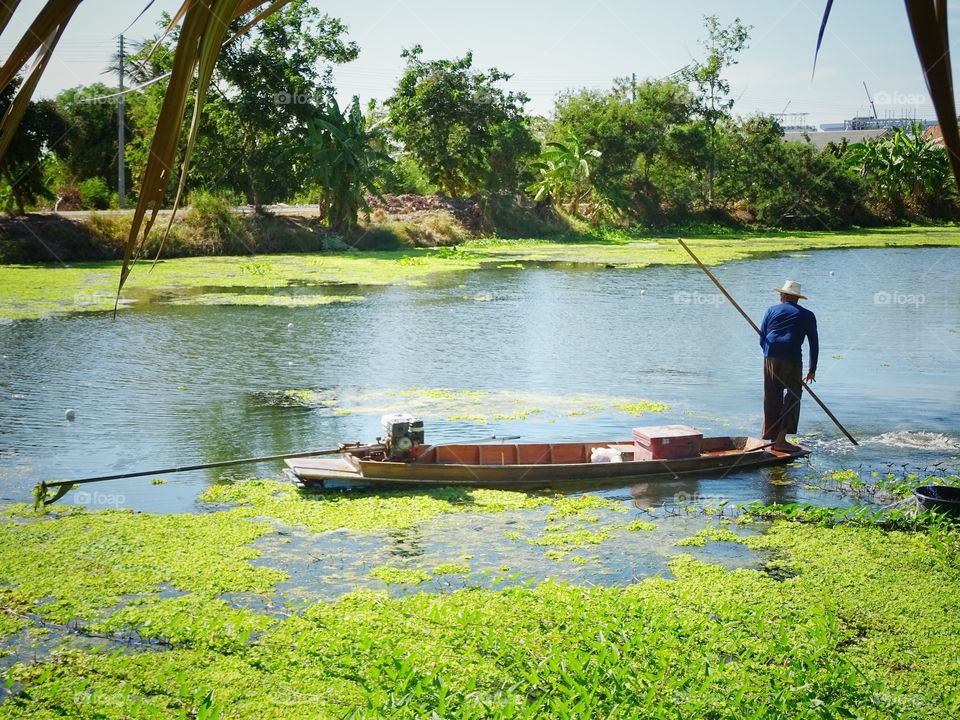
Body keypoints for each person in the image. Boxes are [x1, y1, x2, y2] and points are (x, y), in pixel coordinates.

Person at [759, 280, 818, 452]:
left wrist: (768, 354)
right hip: (791, 357)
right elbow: (814, 343)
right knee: (793, 397)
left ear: (784, 296)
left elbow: (762, 337)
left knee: (771, 395)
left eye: (781, 294)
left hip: (770, 355)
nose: (779, 296)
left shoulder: (771, 310)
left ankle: (768, 437)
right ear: (797, 298)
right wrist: (812, 369)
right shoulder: (808, 315)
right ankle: (780, 440)